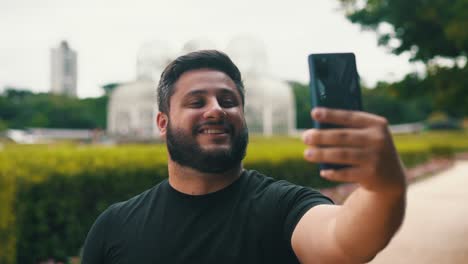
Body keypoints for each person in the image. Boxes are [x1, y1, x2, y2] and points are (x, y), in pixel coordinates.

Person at [82, 50, 406, 264]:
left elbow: (343, 242)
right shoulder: (115, 225)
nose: (216, 110)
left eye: (228, 100)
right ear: (162, 123)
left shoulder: (284, 207)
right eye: (197, 102)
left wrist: (385, 187)